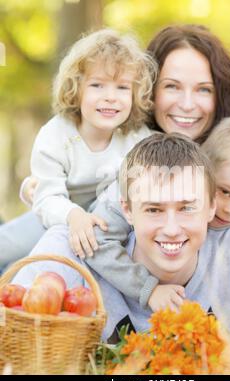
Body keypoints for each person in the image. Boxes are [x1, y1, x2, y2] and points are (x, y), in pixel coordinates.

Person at [12, 134, 230, 363]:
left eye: (187, 207)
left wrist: (229, 362)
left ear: (212, 206)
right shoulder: (73, 248)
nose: (172, 228)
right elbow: (10, 331)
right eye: (153, 209)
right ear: (127, 210)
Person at [0, 28, 156, 272]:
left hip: (103, 229)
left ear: (135, 94)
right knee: (8, 247)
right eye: (97, 85)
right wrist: (73, 215)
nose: (110, 97)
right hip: (57, 216)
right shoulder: (56, 135)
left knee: (43, 266)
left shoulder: (137, 139)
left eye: (122, 88)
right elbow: (47, 196)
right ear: (76, 88)